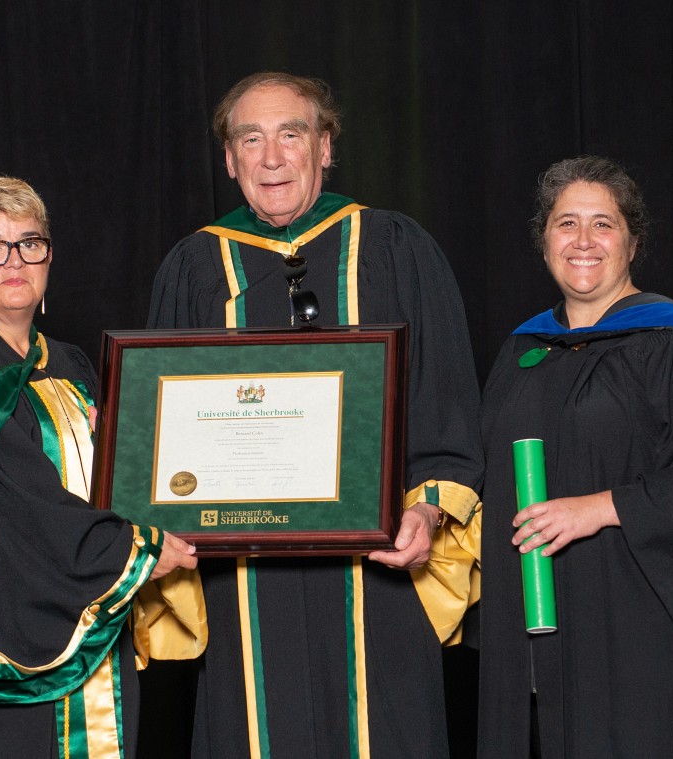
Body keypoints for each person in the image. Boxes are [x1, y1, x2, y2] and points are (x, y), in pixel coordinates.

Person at [148, 72, 484, 757]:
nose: (272, 156)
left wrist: (425, 514)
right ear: (229, 159)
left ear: (325, 148)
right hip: (241, 589)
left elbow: (446, 409)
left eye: (290, 134)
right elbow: (158, 438)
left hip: (378, 580)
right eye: (251, 137)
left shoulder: (396, 248)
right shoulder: (191, 269)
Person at [0, 176, 204, 758]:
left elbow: (124, 476)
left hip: (90, 627)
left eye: (30, 242)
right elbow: (9, 505)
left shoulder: (73, 365)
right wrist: (133, 550)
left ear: (49, 257)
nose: (14, 260)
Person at [475, 155, 673, 757]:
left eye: (603, 224)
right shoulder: (521, 351)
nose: (583, 240)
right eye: (565, 223)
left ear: (632, 243)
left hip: (637, 640)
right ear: (543, 239)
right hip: (530, 649)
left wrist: (603, 507)